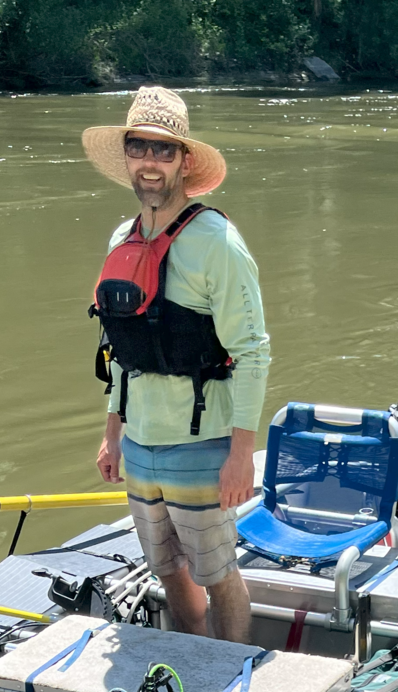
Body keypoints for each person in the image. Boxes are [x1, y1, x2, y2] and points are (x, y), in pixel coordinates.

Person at [81, 86, 269, 642]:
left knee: (219, 574)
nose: (151, 161)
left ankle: (231, 671)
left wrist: (240, 454)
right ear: (128, 156)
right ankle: (190, 656)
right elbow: (120, 352)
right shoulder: (122, 238)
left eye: (165, 151)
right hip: (139, 447)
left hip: (202, 447)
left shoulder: (218, 242)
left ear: (185, 160)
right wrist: (112, 435)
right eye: (140, 147)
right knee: (167, 571)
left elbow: (254, 351)